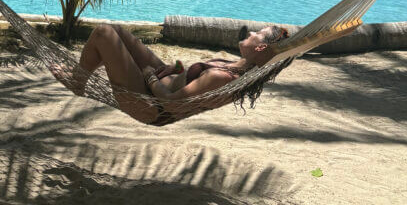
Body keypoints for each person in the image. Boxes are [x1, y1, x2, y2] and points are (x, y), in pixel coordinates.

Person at [65, 22, 292, 125]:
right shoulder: (235, 67)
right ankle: (80, 76)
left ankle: (78, 81)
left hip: (149, 104)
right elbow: (190, 83)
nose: (251, 33)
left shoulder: (223, 78)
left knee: (103, 33)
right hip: (158, 84)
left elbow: (172, 104)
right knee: (117, 31)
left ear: (261, 48)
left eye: (257, 34)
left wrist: (150, 77)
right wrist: (177, 69)